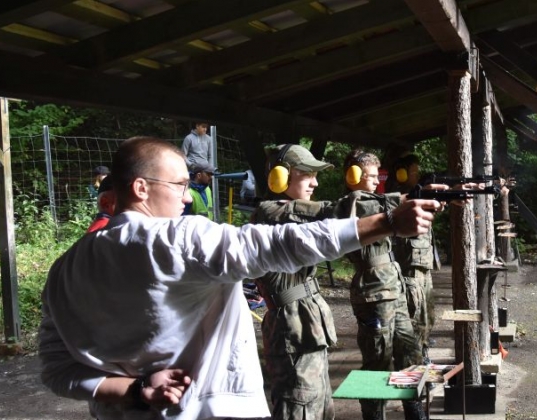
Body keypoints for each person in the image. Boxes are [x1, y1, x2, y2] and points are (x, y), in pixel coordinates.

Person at [38, 136, 440, 420]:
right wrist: (388, 220)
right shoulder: (181, 237)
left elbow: (57, 370)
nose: (186, 197)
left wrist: (138, 389)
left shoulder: (64, 269)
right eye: (179, 185)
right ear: (141, 188)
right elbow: (283, 243)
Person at [334, 149, 427, 420]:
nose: (377, 181)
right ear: (354, 176)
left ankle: (414, 410)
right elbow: (382, 207)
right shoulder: (351, 205)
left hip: (393, 288)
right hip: (373, 293)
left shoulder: (377, 202)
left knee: (410, 352)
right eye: (372, 176)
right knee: (377, 362)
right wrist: (415, 198)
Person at [251, 144, 339, 420]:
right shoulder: (269, 214)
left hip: (306, 328)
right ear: (280, 177)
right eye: (306, 174)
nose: (315, 183)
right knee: (299, 409)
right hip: (292, 331)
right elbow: (334, 213)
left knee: (321, 408)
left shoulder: (292, 218)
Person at [388, 154, 437, 363]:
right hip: (410, 267)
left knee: (428, 314)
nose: (417, 174)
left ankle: (422, 351)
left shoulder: (416, 194)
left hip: (422, 264)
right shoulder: (395, 198)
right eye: (413, 171)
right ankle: (411, 361)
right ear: (401, 173)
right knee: (414, 317)